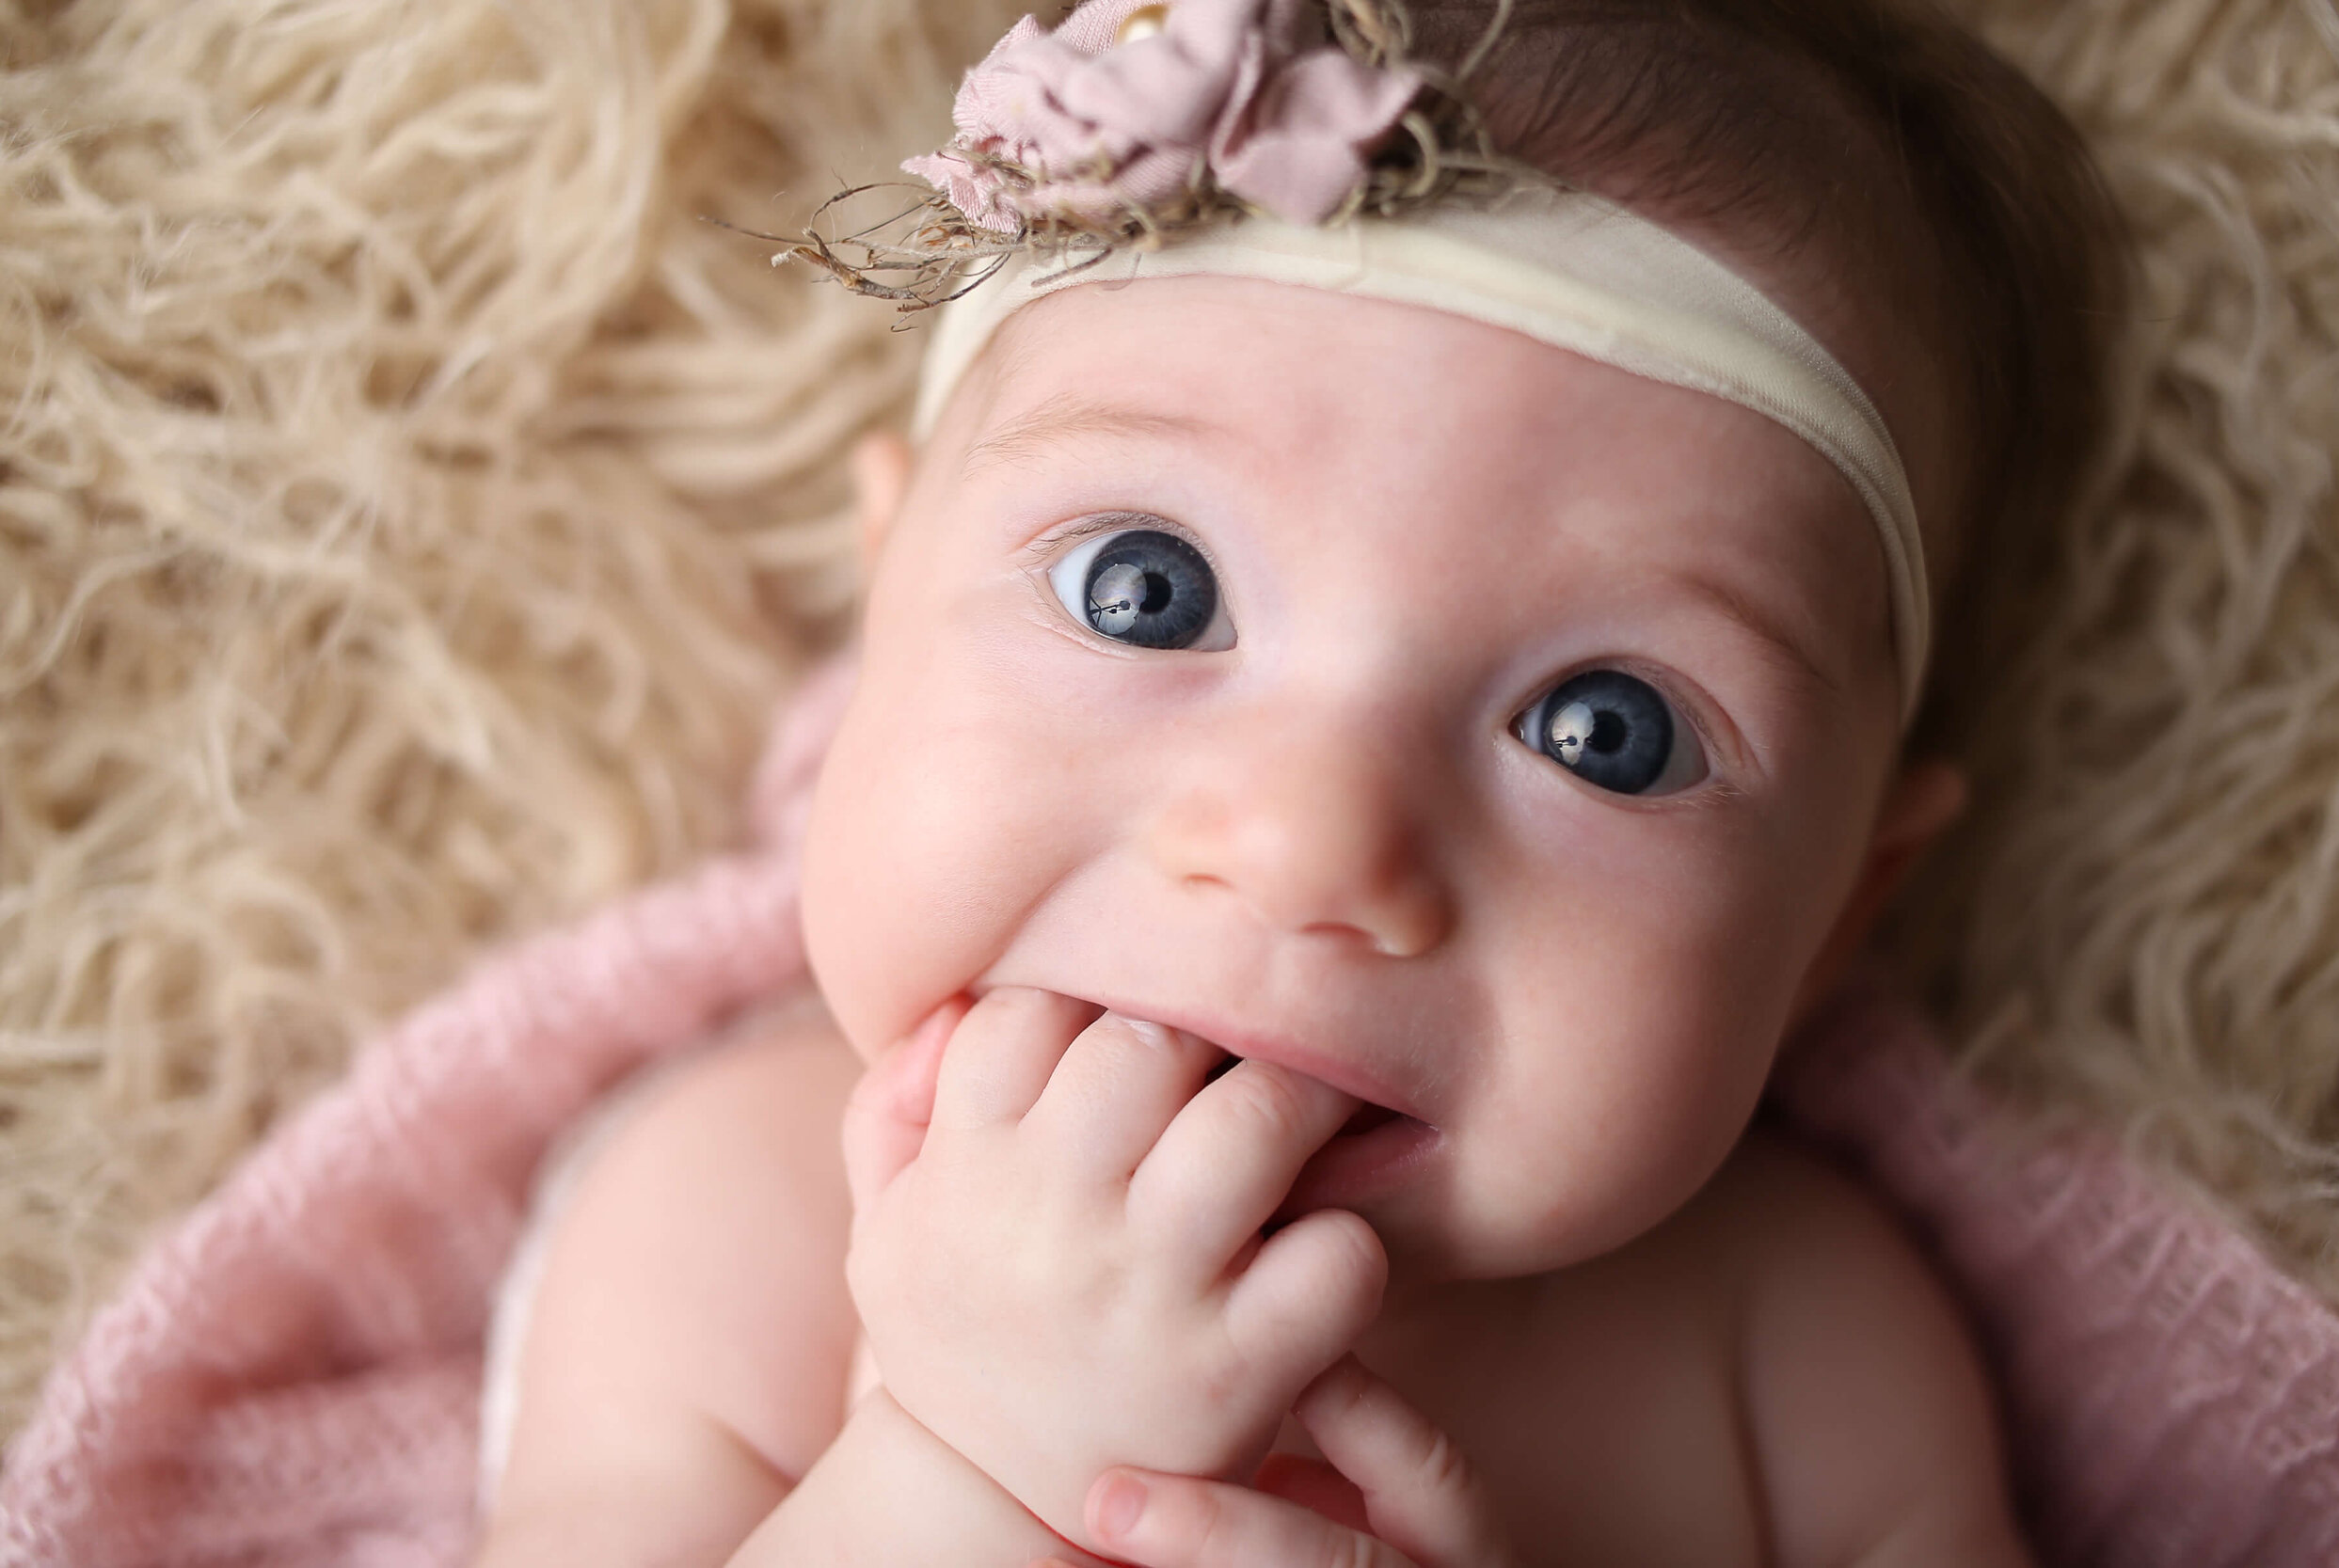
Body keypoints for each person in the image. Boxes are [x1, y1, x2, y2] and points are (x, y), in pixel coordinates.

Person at [470, 0, 2124, 1561]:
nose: (1308, 847)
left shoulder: (1803, 1358)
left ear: (1835, 917)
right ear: (880, 601)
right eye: (1148, 590)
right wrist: (957, 1477)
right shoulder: (725, 1237)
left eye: (1604, 729)